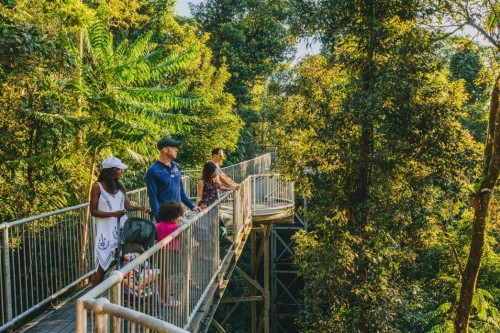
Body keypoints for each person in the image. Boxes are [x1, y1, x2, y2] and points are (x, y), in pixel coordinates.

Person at [90, 157, 150, 288]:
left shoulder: (120, 185)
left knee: (125, 259)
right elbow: (93, 211)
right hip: (105, 230)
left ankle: (127, 292)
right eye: (119, 170)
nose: (122, 172)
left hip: (122, 227)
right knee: (102, 267)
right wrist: (112, 214)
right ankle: (91, 300)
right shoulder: (97, 187)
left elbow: (127, 205)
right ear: (111, 171)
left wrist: (140, 208)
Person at [146, 138, 202, 221]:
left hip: (178, 214)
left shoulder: (176, 166)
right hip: (165, 217)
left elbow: (181, 190)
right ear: (165, 149)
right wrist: (160, 219)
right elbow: (153, 197)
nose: (177, 150)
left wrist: (192, 206)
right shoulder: (153, 171)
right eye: (173, 147)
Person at [156, 200, 184, 307]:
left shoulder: (157, 225)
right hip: (170, 253)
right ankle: (166, 300)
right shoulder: (175, 228)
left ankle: (164, 297)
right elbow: (181, 237)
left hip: (159, 252)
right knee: (166, 278)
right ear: (174, 216)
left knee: (161, 276)